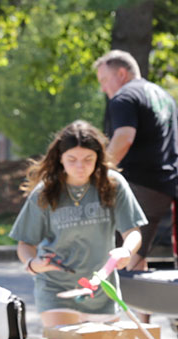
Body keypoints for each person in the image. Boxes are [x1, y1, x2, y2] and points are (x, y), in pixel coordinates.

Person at [8, 121, 147, 328]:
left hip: (102, 290)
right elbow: (25, 244)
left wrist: (126, 251)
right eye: (72, 159)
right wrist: (33, 265)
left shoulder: (113, 184)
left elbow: (133, 231)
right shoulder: (45, 192)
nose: (80, 167)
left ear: (98, 158)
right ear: (60, 159)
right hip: (56, 289)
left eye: (88, 159)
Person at [94, 49, 178, 271]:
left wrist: (98, 174)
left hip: (136, 185)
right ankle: (141, 307)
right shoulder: (163, 95)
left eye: (105, 80)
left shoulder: (124, 97)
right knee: (136, 254)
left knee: (115, 257)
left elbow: (124, 137)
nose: (103, 88)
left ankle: (119, 305)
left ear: (121, 73)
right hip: (163, 187)